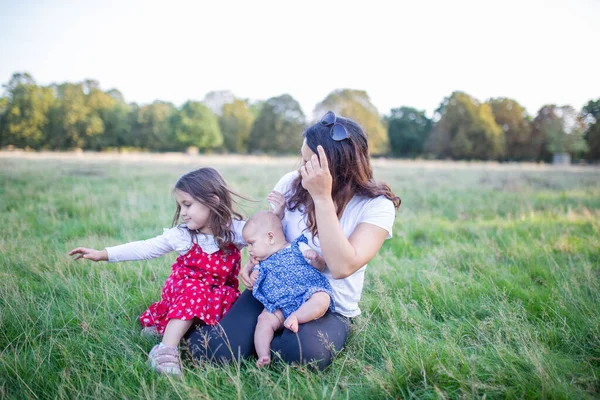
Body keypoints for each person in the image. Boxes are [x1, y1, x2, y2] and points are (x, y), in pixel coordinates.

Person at [186, 110, 401, 370]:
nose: (301, 168)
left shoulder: (376, 205)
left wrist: (322, 198)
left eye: (309, 162)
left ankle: (277, 338)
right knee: (211, 351)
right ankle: (199, 326)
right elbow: (269, 235)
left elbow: (343, 267)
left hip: (326, 304)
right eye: (302, 157)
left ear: (336, 167)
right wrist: (253, 261)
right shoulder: (291, 183)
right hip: (272, 292)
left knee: (301, 356)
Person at [69, 167, 246, 376]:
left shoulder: (235, 231)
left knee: (233, 304)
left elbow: (266, 238)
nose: (182, 212)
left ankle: (163, 327)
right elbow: (145, 248)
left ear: (213, 201)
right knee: (195, 293)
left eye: (187, 205)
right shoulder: (183, 236)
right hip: (185, 290)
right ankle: (165, 351)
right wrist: (104, 254)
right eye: (180, 206)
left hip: (218, 294)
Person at [242, 210, 334, 367]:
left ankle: (297, 317)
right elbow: (255, 279)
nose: (249, 249)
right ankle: (263, 355)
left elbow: (320, 267)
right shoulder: (260, 263)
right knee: (263, 320)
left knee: (322, 298)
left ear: (270, 237)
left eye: (252, 243)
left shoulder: (297, 246)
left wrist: (317, 259)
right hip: (280, 304)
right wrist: (253, 277)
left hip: (306, 293)